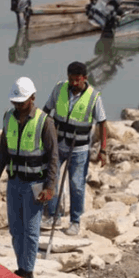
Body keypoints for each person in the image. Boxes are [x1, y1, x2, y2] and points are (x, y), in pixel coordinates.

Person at [0, 77, 59, 278]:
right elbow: (3, 152)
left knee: (30, 229)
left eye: (22, 102)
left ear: (32, 98)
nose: (18, 105)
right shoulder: (8, 117)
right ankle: (22, 267)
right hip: (14, 182)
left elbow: (53, 156)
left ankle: (28, 271)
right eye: (15, 102)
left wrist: (50, 186)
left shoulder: (45, 122)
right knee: (16, 229)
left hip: (34, 184)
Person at [42, 61, 108, 236]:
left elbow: (102, 123)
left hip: (79, 149)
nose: (73, 84)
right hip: (59, 144)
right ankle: (52, 215)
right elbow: (46, 111)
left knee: (76, 185)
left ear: (85, 78)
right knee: (52, 178)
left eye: (77, 80)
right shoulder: (59, 89)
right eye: (70, 79)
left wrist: (103, 150)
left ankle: (75, 221)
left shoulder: (94, 97)